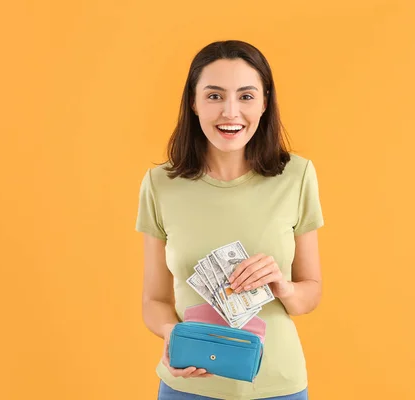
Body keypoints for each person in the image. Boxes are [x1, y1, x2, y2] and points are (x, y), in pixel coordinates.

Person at [135, 40, 324, 400]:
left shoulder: (297, 176)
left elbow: (310, 291)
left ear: (265, 102)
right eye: (215, 96)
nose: (231, 112)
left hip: (277, 385)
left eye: (246, 96)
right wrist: (173, 336)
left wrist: (282, 287)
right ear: (193, 103)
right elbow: (154, 299)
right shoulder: (160, 184)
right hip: (187, 384)